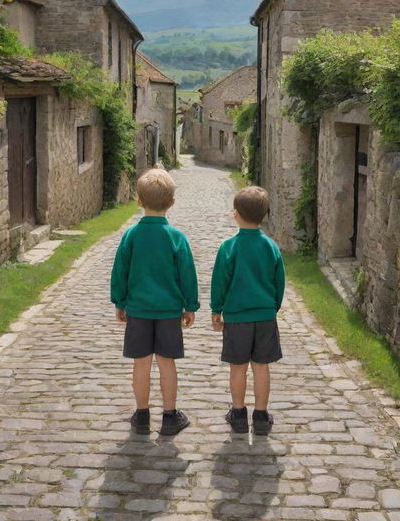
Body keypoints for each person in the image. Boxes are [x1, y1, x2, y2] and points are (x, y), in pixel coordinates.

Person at [111, 168, 199, 436]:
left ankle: (141, 416)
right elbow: (187, 274)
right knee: (166, 363)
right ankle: (170, 416)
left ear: (138, 201)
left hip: (138, 310)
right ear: (171, 203)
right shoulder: (176, 238)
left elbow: (120, 272)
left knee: (141, 363)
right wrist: (190, 305)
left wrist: (120, 302)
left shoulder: (131, 236)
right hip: (168, 311)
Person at [210, 186, 285, 435]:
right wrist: (273, 306)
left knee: (238, 367)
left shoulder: (228, 248)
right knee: (262, 367)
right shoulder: (271, 247)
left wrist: (216, 310)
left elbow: (220, 280)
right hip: (264, 316)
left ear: (236, 214)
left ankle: (239, 414)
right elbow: (279, 281)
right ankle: (261, 416)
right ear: (264, 215)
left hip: (238, 318)